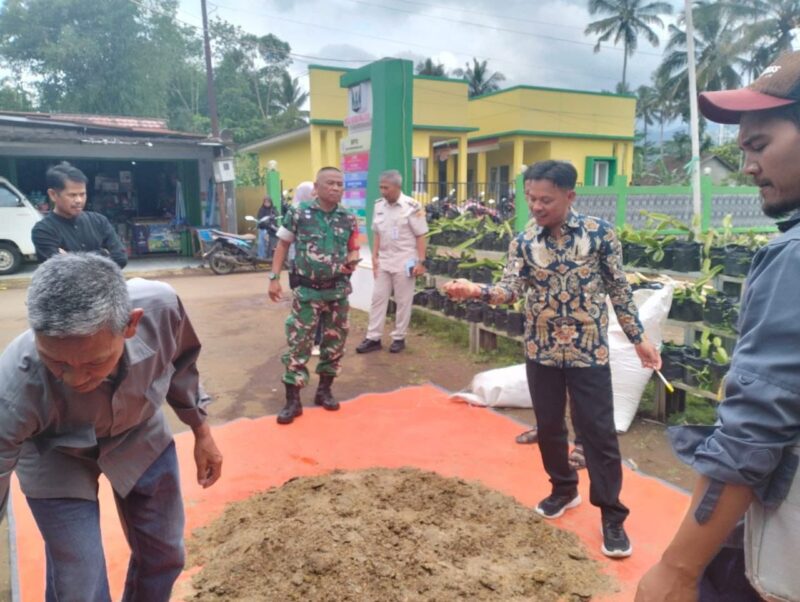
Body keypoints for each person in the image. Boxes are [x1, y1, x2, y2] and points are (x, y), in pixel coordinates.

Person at [636, 50, 800, 602]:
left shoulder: (794, 257)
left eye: (759, 145)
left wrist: (678, 570)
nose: (748, 166)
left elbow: (756, 425)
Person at [444, 160, 661, 559]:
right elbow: (510, 289)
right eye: (530, 199)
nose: (536, 207)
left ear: (570, 195)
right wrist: (476, 290)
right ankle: (563, 489)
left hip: (588, 350)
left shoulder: (600, 235)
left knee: (597, 433)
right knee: (547, 427)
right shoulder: (524, 241)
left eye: (545, 199)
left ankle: (612, 515)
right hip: (540, 349)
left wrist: (639, 340)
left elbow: (619, 291)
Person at [0, 253, 223, 601]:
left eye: (94, 362)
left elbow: (181, 365)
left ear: (130, 325)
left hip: (139, 432)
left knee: (165, 554)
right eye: (56, 361)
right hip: (54, 453)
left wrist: (202, 433)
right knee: (78, 579)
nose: (75, 378)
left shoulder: (160, 308)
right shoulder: (15, 380)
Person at [268, 167, 359, 425]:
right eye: (330, 183)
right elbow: (283, 245)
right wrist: (274, 279)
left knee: (335, 343)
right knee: (299, 343)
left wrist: (352, 261)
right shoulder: (298, 213)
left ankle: (324, 390)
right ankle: (292, 400)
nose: (336, 188)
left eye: (340, 184)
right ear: (316, 188)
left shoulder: (349, 218)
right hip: (307, 291)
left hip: (338, 292)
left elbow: (352, 248)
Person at [356, 170, 428, 354]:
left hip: (406, 260)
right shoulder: (379, 206)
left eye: (385, 188)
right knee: (378, 299)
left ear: (397, 187)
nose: (382, 191)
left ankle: (399, 337)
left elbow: (421, 235)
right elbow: (377, 232)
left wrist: (421, 262)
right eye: (380, 187)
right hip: (384, 260)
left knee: (403, 301)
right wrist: (374, 257)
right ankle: (373, 337)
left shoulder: (412, 206)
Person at [32, 162, 128, 268]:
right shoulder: (43, 231)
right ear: (53, 195)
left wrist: (70, 257)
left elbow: (120, 259)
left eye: (82, 194)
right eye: (72, 195)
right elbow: (59, 271)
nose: (79, 200)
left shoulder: (99, 221)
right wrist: (103, 254)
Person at [256, 195, 277, 260]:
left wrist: (273, 216)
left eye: (268, 202)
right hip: (263, 228)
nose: (267, 203)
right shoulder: (261, 209)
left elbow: (276, 216)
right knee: (261, 243)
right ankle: (261, 257)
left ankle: (268, 257)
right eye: (265, 202)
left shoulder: (273, 209)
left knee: (270, 244)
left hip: (270, 229)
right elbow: (259, 218)